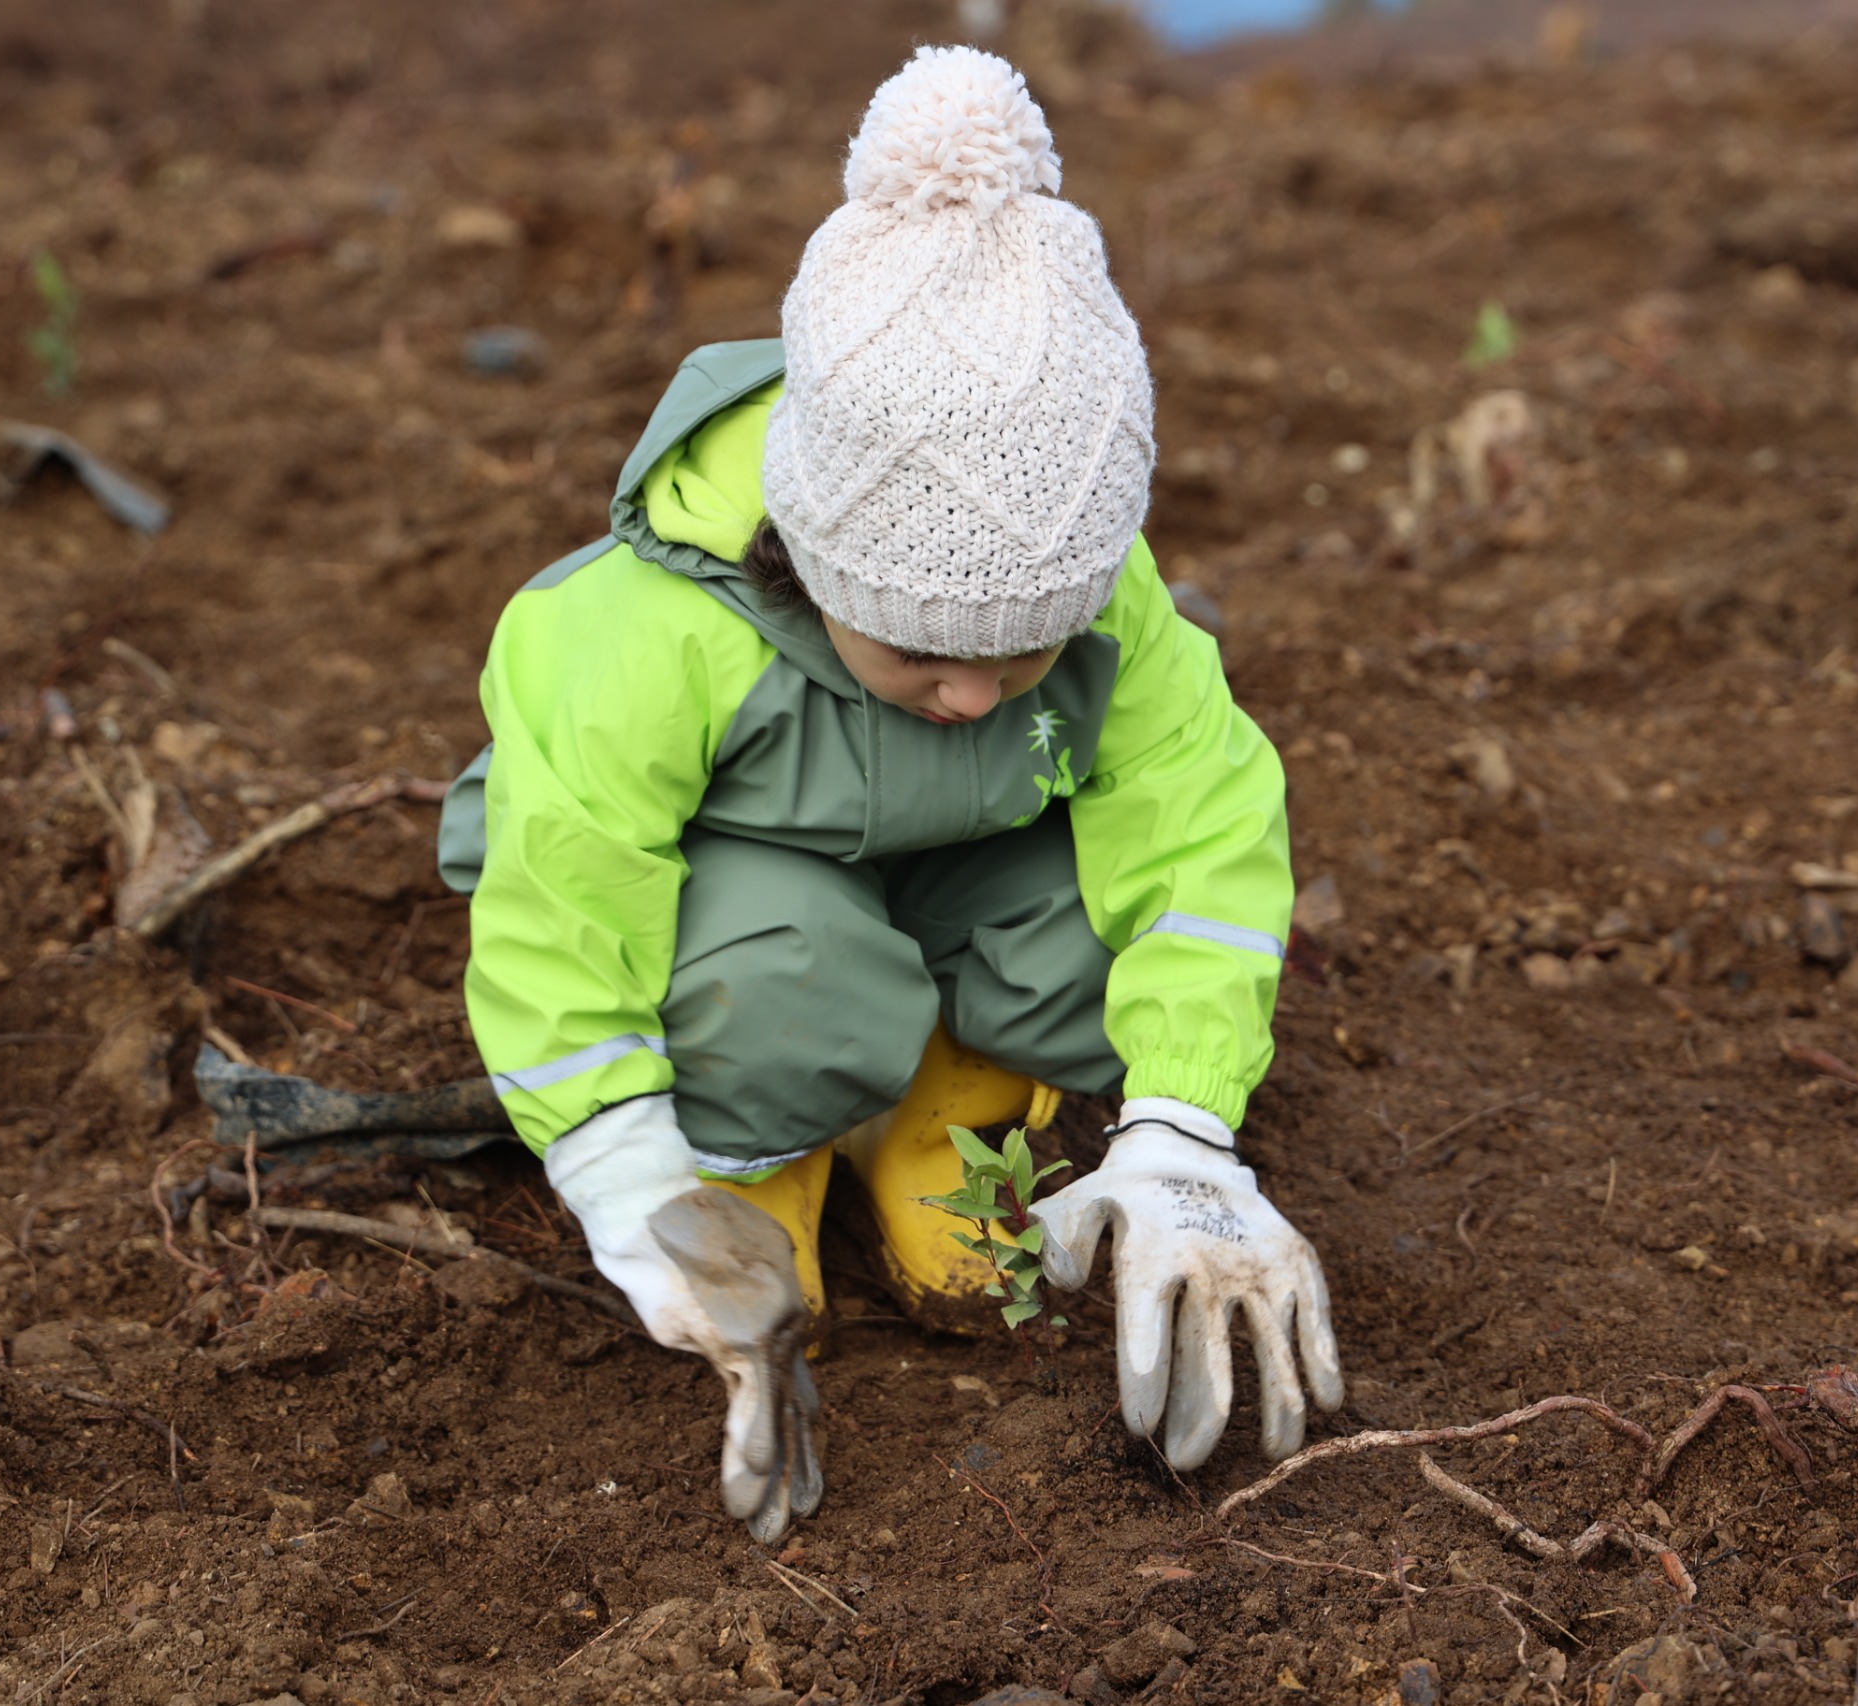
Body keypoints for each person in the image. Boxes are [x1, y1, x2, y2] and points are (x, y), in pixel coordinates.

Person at [438, 45, 1342, 1542]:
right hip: (755, 888)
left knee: (1091, 944)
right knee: (777, 984)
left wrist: (1185, 1125)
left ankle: (942, 1112)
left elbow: (1203, 830)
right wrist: (622, 1165)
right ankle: (764, 1158)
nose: (979, 689)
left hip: (964, 860)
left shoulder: (1103, 593)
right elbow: (564, 904)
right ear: (815, 546)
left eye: (1022, 646)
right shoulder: (646, 629)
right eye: (923, 645)